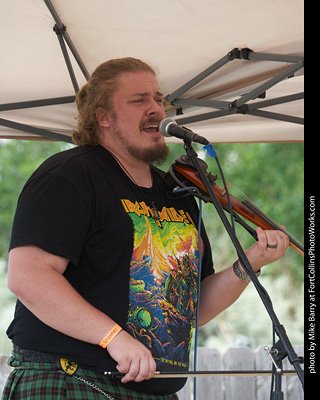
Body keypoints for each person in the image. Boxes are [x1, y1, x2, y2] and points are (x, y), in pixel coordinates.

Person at [2, 57, 289, 400]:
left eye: (158, 98)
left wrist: (250, 262)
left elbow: (191, 310)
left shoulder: (178, 195)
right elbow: (29, 277)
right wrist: (114, 338)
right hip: (70, 380)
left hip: (153, 390)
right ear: (103, 117)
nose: (156, 108)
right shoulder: (69, 175)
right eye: (139, 100)